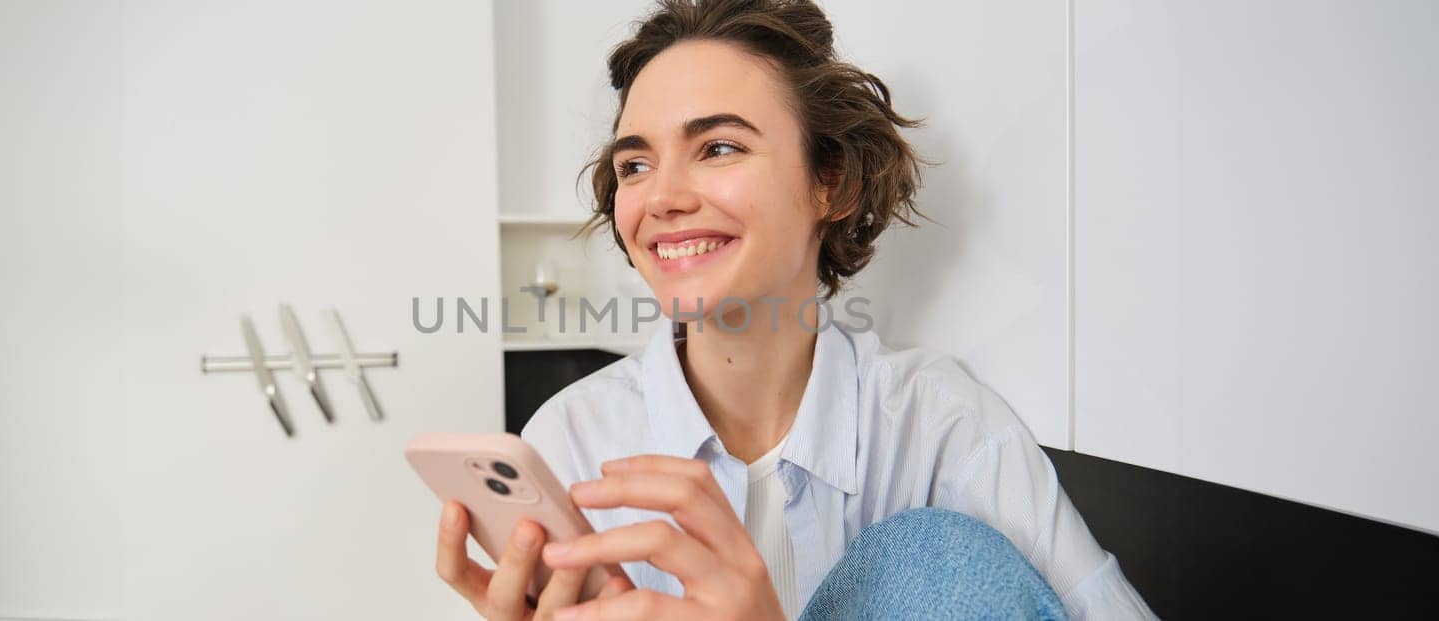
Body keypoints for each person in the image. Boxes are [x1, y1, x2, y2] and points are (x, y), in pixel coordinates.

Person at [434, 0, 1155, 618]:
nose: (661, 198)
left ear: (830, 184)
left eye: (717, 147)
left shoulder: (940, 427)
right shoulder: (572, 441)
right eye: (635, 165)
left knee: (931, 558)